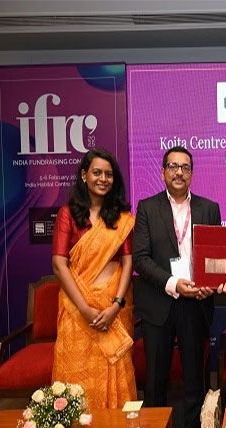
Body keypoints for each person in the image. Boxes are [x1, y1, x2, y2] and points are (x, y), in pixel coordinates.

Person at [132, 146, 226, 428]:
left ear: (192, 173)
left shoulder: (209, 208)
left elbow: (216, 256)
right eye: (173, 166)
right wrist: (175, 282)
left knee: (194, 383)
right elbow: (140, 259)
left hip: (196, 305)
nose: (179, 172)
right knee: (155, 383)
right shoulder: (147, 208)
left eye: (185, 167)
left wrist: (209, 284)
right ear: (163, 171)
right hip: (159, 305)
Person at [52, 148, 136, 409]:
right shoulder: (68, 214)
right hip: (77, 310)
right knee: (78, 379)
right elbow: (59, 263)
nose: (103, 179)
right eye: (97, 173)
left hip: (113, 309)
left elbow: (128, 262)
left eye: (109, 174)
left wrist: (116, 305)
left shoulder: (121, 219)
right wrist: (85, 308)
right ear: (84, 175)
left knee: (116, 372)